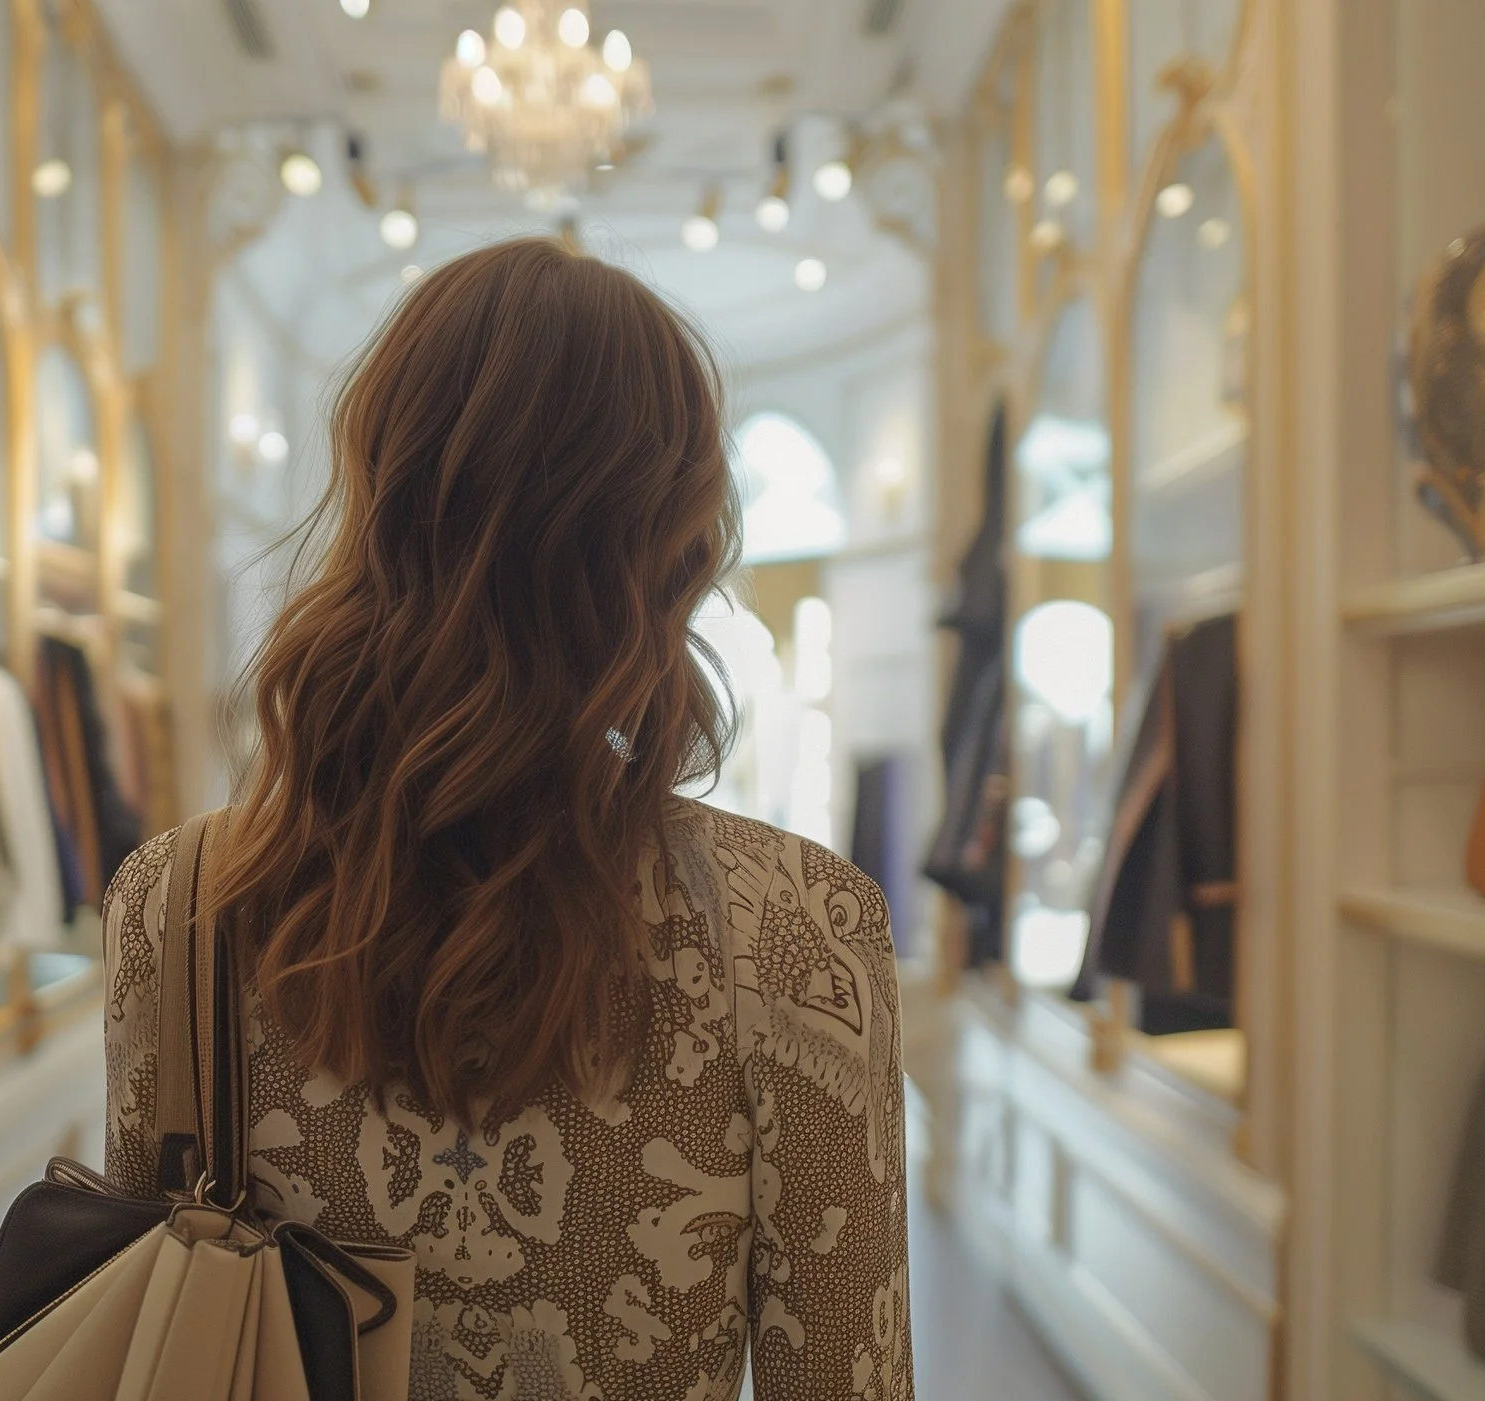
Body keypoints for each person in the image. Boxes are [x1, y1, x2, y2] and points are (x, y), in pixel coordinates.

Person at [102, 237, 913, 1400]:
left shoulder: (175, 909)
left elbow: (146, 1329)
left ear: (377, 496)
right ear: (673, 540)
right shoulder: (799, 935)